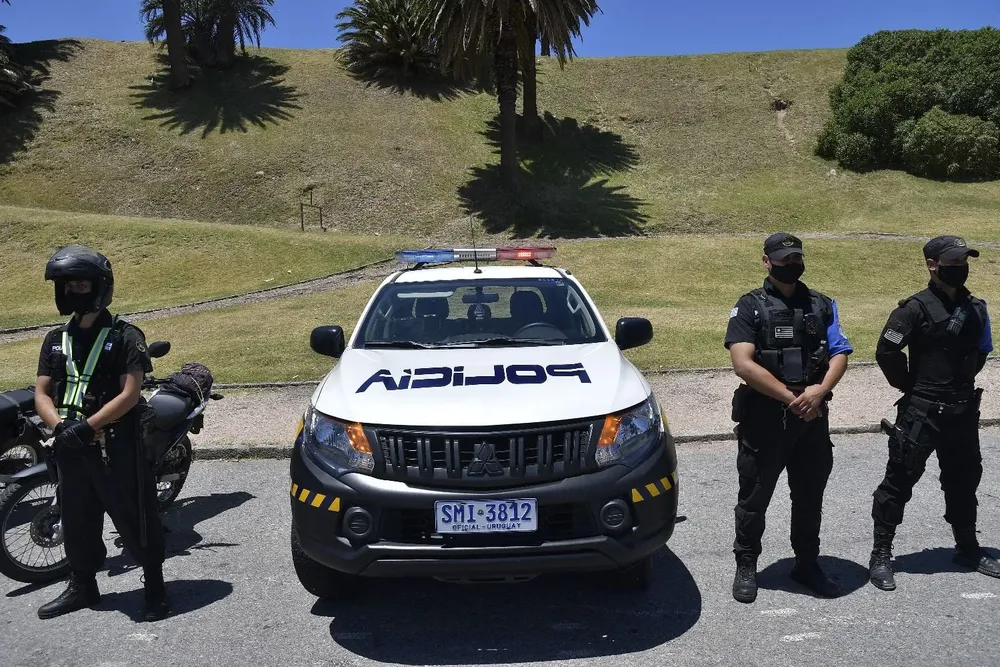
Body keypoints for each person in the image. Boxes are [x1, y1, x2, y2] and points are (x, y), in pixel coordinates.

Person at [33, 244, 170, 621]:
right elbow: (42, 392)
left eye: (81, 284)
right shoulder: (54, 340)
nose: (73, 292)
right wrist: (61, 427)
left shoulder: (126, 336)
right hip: (70, 445)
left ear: (100, 286)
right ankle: (83, 585)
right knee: (77, 518)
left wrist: (88, 426)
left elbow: (130, 393)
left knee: (134, 516)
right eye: (66, 286)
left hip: (117, 446)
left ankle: (155, 584)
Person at [724, 232, 853, 603]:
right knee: (754, 497)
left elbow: (840, 351)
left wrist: (818, 390)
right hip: (766, 417)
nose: (791, 264)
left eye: (796, 257)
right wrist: (790, 397)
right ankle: (747, 564)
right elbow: (742, 363)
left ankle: (807, 563)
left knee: (810, 496)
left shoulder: (822, 304)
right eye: (782, 259)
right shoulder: (750, 306)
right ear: (766, 261)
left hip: (812, 416)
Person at [868, 235, 1000, 590]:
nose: (960, 268)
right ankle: (881, 554)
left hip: (961, 409)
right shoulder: (912, 309)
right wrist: (910, 387)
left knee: (964, 480)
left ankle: (967, 547)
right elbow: (886, 352)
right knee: (899, 480)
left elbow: (983, 349)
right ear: (932, 264)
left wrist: (962, 380)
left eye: (963, 262)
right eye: (953, 263)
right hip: (921, 411)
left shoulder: (977, 308)